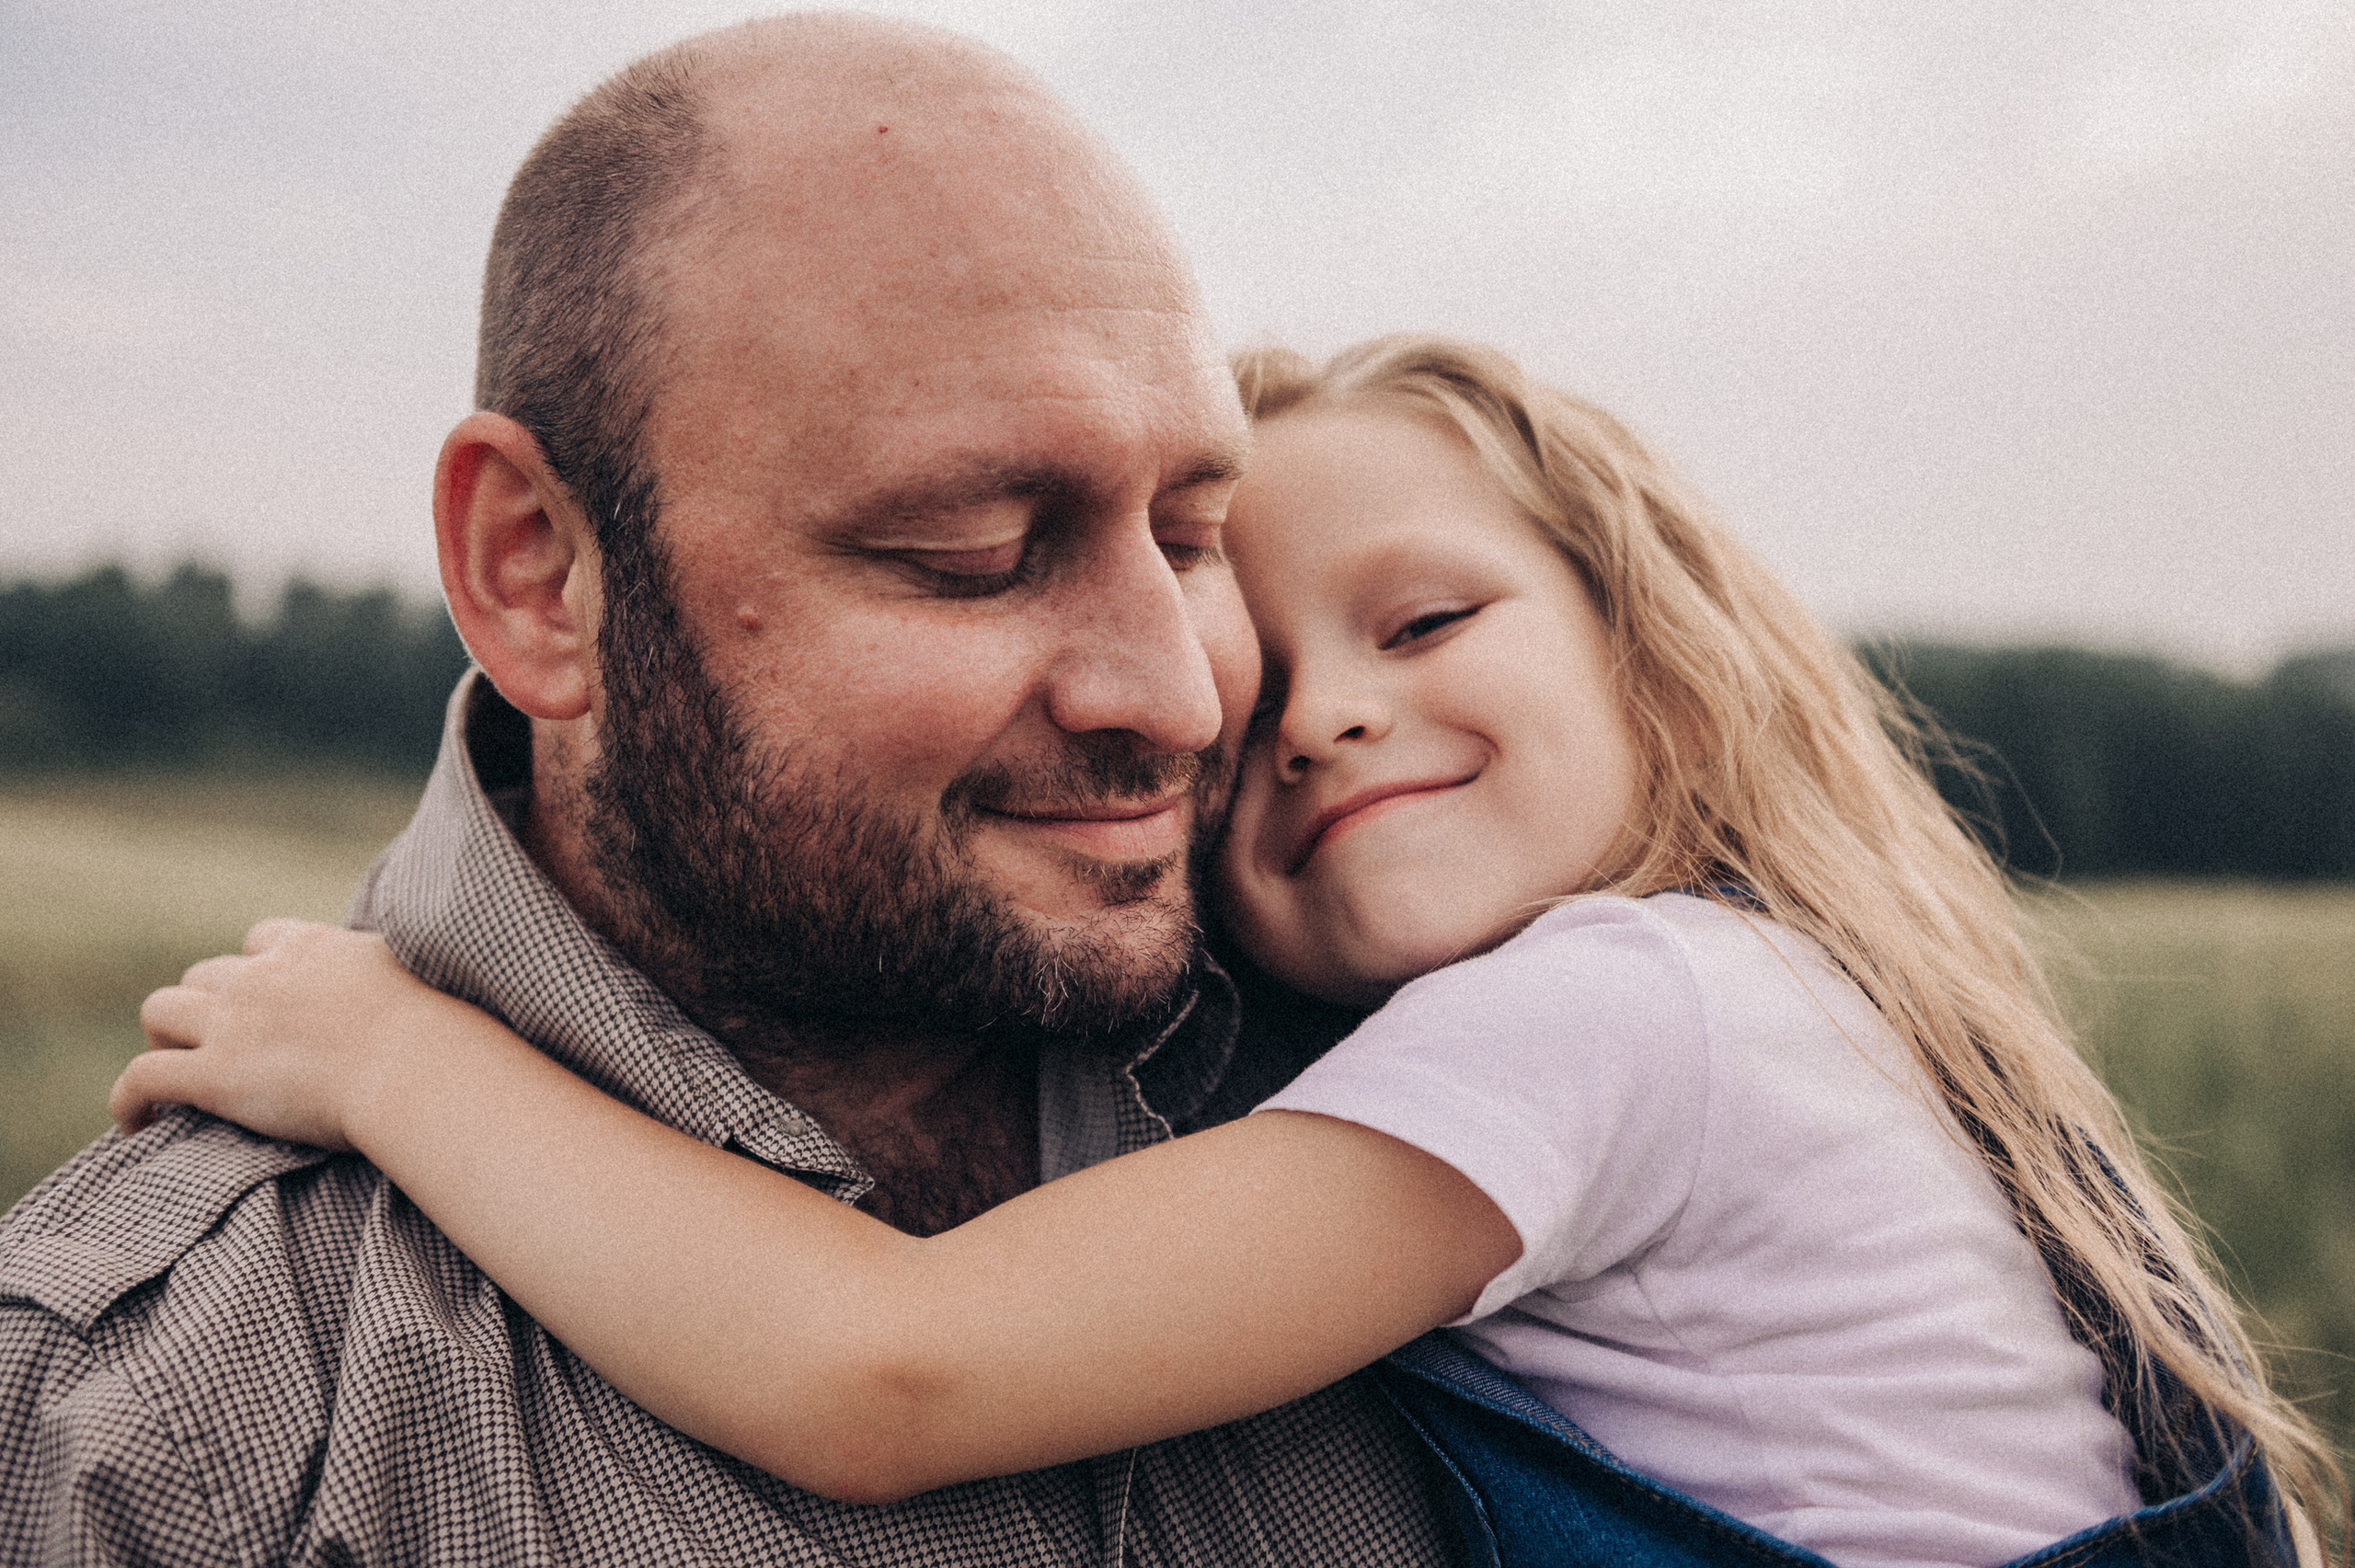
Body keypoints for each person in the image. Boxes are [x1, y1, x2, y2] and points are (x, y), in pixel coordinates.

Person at [123, 337, 2340, 1568]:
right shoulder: (1734, 996)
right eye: (1250, 708)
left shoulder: (1605, 1021)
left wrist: (388, 1052)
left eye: (1426, 618)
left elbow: (890, 1371)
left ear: (1654, 650)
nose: (1327, 715)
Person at [0, 18, 1459, 1565]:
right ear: (538, 573)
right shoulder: (146, 1433)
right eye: (970, 554)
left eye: (1190, 532)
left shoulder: (1427, 1041)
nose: (1175, 695)